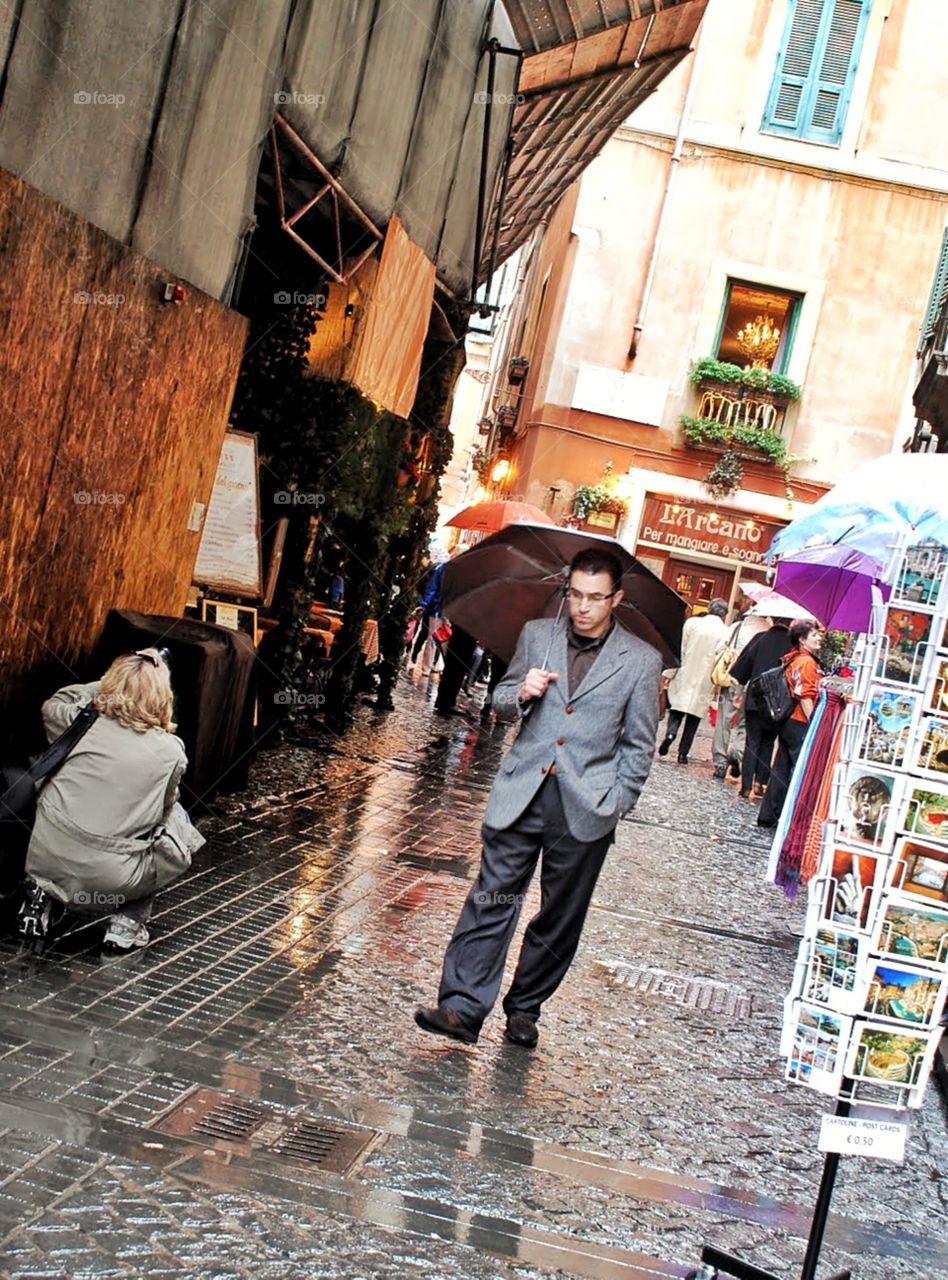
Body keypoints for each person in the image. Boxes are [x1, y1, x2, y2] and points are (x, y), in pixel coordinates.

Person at [414, 548, 661, 1048]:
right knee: (493, 896)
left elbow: (639, 744)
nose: (583, 607)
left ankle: (525, 1007)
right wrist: (520, 691)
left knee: (559, 913)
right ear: (567, 591)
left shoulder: (640, 662)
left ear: (616, 599)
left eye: (595, 598)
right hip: (523, 790)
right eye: (576, 595)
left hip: (585, 804)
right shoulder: (536, 635)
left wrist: (616, 802)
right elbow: (500, 703)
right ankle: (462, 1007)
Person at [21, 649, 204, 950]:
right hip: (112, 880)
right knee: (176, 821)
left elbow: (55, 702)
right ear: (163, 695)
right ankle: (126, 923)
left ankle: (43, 896)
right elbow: (161, 814)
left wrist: (104, 683)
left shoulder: (78, 723)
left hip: (45, 855)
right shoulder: (171, 752)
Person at [757, 618, 824, 829]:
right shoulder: (807, 663)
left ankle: (768, 815)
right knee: (798, 771)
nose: (819, 638)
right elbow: (805, 695)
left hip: (788, 722)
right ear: (802, 640)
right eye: (814, 635)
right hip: (799, 722)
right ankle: (791, 818)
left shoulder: (795, 659)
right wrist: (814, 723)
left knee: (781, 768)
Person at [729, 615, 795, 800]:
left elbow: (742, 668)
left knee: (753, 741)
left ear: (772, 619)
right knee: (768, 742)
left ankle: (746, 785)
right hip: (779, 702)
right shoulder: (793, 645)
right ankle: (760, 782)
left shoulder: (760, 638)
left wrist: (739, 693)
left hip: (755, 699)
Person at [658, 598, 728, 764]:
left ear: (710, 608)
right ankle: (683, 753)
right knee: (694, 718)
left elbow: (680, 649)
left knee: (677, 709)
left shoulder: (692, 624)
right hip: (706, 679)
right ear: (724, 615)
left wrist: (670, 672)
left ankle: (670, 733)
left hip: (686, 671)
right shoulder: (725, 632)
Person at [710, 594, 768, 780]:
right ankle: (737, 751)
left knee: (723, 721)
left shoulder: (738, 627)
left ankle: (720, 761)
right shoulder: (768, 630)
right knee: (745, 723)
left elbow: (719, 649)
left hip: (734, 680)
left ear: (751, 606)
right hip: (754, 686)